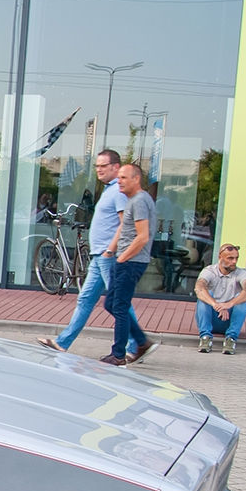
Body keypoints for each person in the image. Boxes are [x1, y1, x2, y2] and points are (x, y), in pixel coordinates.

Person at [36, 150, 148, 362]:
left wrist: (110, 249)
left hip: (108, 255)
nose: (98, 169)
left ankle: (138, 344)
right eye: (97, 166)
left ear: (116, 167)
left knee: (118, 302)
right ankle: (62, 343)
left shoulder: (118, 192)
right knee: (86, 299)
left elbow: (126, 224)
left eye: (103, 166)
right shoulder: (109, 190)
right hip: (100, 256)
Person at [99, 163, 155, 367]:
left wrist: (122, 258)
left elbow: (142, 237)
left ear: (136, 179)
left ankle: (118, 354)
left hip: (131, 262)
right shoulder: (136, 200)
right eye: (119, 177)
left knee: (120, 306)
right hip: (126, 259)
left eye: (124, 178)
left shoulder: (139, 201)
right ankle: (141, 341)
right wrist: (112, 251)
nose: (119, 181)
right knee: (110, 303)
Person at [193, 243, 246, 354]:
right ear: (220, 258)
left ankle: (231, 339)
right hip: (211, 317)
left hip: (229, 320)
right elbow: (199, 289)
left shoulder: (241, 273)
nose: (234, 262)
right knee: (206, 295)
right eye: (230, 258)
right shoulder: (209, 271)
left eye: (236, 258)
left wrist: (228, 304)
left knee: (242, 299)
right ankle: (205, 338)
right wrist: (216, 305)